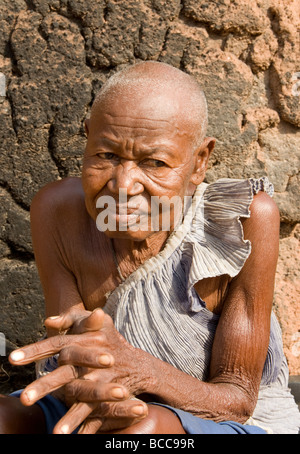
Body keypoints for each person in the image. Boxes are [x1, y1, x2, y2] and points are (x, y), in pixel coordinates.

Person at [1, 61, 299, 434]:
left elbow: (237, 400)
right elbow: (69, 352)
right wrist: (81, 358)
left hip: (219, 417)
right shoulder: (57, 211)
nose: (123, 185)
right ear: (88, 138)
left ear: (198, 162)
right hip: (94, 399)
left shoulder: (244, 220)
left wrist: (141, 372)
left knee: (141, 430)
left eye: (154, 163)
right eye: (106, 156)